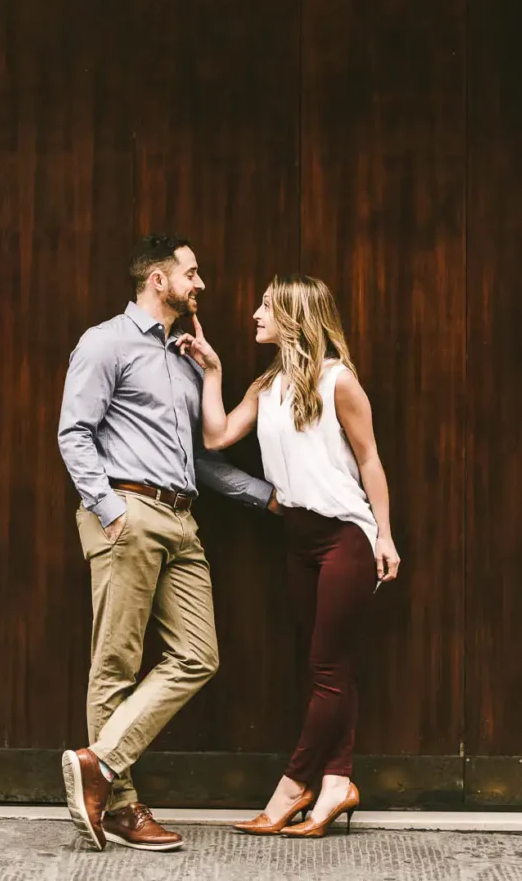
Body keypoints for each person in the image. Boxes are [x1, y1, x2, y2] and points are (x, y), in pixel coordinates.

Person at [56, 233, 279, 853]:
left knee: (198, 655)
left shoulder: (185, 359)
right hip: (128, 511)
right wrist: (110, 510)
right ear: (158, 279)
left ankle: (99, 762)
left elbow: (200, 457)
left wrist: (264, 496)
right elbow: (75, 433)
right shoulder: (105, 342)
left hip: (183, 519)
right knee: (116, 664)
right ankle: (120, 807)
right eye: (192, 272)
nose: (200, 283)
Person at [182, 274, 401, 838]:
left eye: (266, 306)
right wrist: (213, 371)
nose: (255, 314)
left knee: (327, 670)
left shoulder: (339, 381)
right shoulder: (267, 384)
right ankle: (337, 782)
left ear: (295, 317)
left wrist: (384, 535)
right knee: (329, 668)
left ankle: (294, 785)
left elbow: (370, 460)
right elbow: (216, 436)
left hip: (345, 536)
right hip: (299, 540)